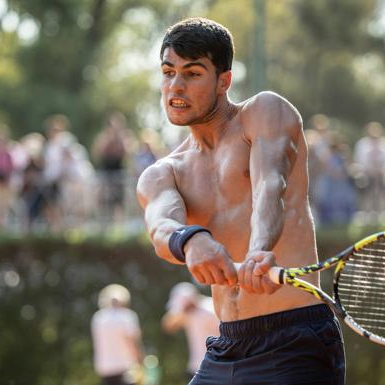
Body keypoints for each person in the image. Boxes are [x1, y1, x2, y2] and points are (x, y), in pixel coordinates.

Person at [136, 18, 345, 384]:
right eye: (168, 72)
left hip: (295, 341)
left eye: (192, 73)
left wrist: (260, 249)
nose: (176, 85)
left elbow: (270, 185)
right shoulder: (163, 172)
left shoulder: (264, 112)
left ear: (224, 81)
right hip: (226, 345)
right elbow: (161, 228)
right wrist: (191, 240)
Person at [161, 282, 219, 382]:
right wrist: (179, 309)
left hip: (216, 365)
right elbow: (167, 326)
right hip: (197, 366)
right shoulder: (187, 314)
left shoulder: (210, 307)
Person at [91, 284, 143, 385]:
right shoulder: (127, 316)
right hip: (126, 369)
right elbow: (132, 343)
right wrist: (140, 362)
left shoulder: (98, 318)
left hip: (105, 370)